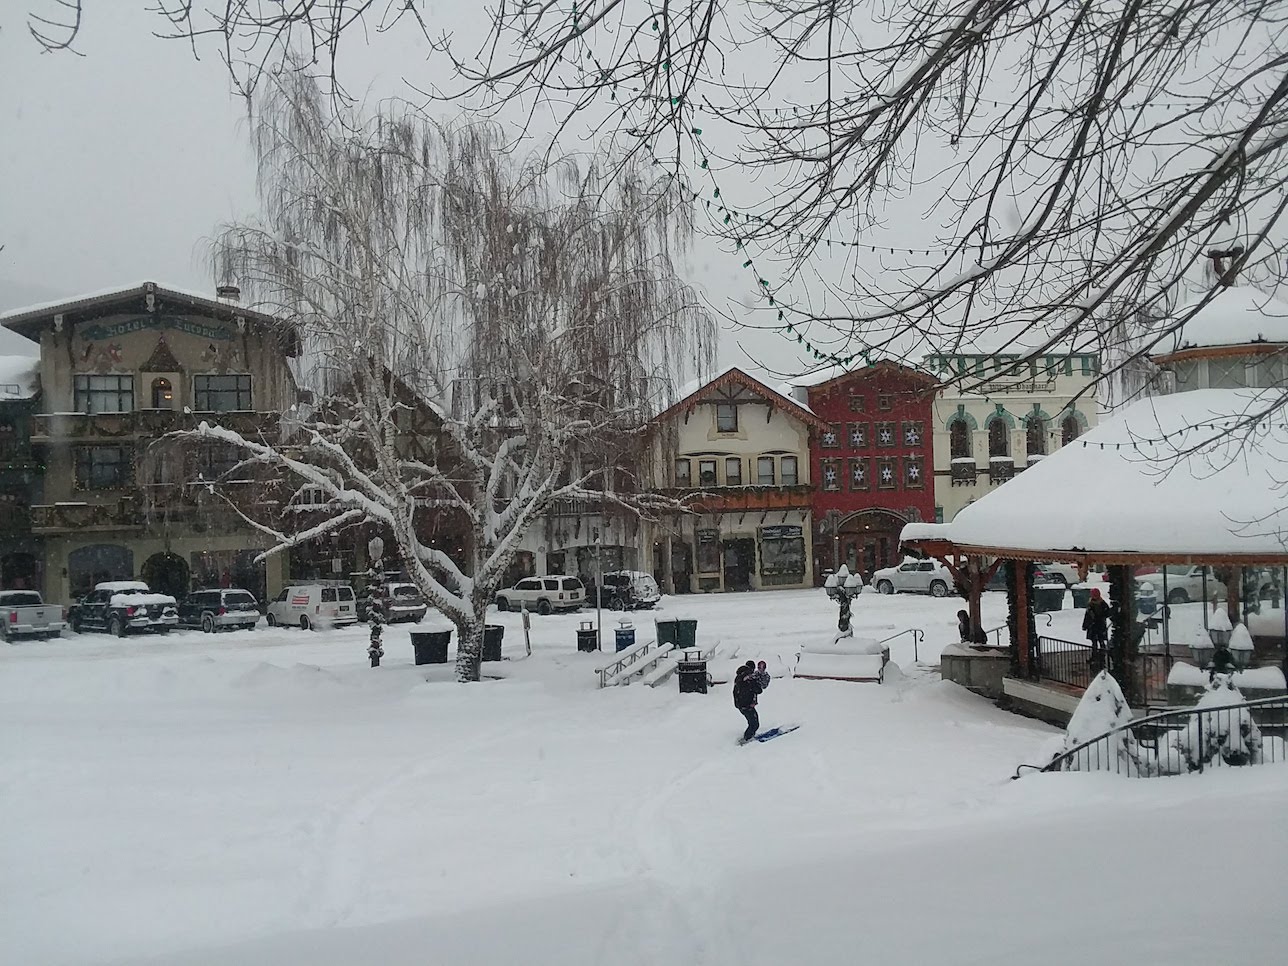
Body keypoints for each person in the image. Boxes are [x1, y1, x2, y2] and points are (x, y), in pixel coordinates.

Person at [732, 661, 763, 744]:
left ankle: (748, 737)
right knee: (754, 724)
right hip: (747, 704)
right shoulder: (748, 678)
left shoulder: (739, 677)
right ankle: (746, 739)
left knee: (752, 723)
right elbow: (758, 690)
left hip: (740, 704)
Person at [1083, 588, 1111, 667]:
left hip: (1099, 626)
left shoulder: (1101, 604)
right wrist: (1085, 625)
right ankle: (1095, 657)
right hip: (1094, 627)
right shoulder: (1092, 604)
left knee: (1100, 642)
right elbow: (1087, 616)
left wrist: (1100, 618)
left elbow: (1107, 613)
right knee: (1095, 643)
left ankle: (1101, 658)